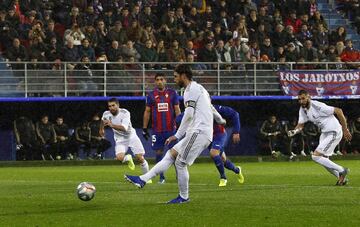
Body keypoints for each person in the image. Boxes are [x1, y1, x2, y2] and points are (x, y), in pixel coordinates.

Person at [125, 64, 225, 204]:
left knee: (180, 163)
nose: (174, 79)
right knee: (171, 154)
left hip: (199, 131)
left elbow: (189, 115)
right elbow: (211, 108)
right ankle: (142, 179)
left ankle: (184, 197)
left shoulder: (190, 90)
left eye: (175, 76)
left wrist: (177, 135)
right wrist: (221, 120)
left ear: (183, 76)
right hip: (197, 131)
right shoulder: (200, 88)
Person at [287, 90, 352, 186]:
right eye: (299, 99)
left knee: (315, 156)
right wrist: (294, 131)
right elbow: (300, 125)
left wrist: (345, 129)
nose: (301, 101)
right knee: (324, 160)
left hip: (334, 131)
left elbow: (339, 111)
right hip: (325, 133)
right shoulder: (302, 110)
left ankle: (342, 170)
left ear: (308, 97)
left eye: (303, 98)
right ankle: (342, 179)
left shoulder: (317, 106)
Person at [176, 104, 244, 187]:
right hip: (207, 137)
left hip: (219, 134)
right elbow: (179, 119)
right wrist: (187, 113)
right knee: (223, 159)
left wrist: (236, 131)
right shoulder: (195, 110)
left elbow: (235, 114)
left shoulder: (215, 108)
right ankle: (237, 170)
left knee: (214, 153)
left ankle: (223, 178)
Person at [142, 73, 181, 183]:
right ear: (155, 82)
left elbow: (177, 110)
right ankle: (161, 177)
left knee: (175, 153)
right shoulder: (151, 95)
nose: (159, 81)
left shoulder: (172, 93)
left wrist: (181, 125)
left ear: (165, 81)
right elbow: (147, 112)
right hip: (157, 130)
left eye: (161, 79)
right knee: (158, 153)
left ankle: (179, 174)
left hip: (171, 129)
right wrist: (144, 128)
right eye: (157, 79)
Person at [100, 98, 151, 179]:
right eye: (109, 106)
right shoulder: (106, 114)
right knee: (119, 158)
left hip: (131, 137)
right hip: (120, 139)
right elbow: (103, 120)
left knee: (140, 158)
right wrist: (101, 129)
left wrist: (112, 125)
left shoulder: (125, 113)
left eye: (113, 105)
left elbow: (124, 128)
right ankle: (128, 158)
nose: (111, 108)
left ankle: (147, 178)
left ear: (118, 105)